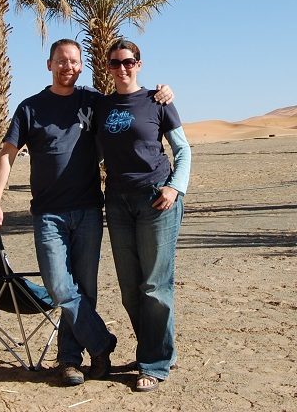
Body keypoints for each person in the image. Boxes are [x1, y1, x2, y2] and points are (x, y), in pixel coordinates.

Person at [0, 38, 172, 387]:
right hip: (48, 214)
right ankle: (101, 342)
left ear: (81, 66)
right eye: (61, 61)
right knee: (58, 286)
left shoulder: (93, 102)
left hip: (87, 210)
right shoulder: (30, 108)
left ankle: (70, 359)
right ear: (50, 64)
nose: (68, 66)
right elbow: (8, 154)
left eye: (74, 61)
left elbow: (130, 102)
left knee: (85, 288)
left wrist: (161, 93)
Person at [95, 39, 191, 394]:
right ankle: (160, 350)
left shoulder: (157, 100)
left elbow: (183, 149)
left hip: (156, 198)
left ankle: (154, 363)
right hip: (117, 201)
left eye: (129, 62)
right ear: (106, 67)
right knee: (130, 288)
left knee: (155, 284)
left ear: (139, 63)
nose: (122, 69)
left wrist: (174, 188)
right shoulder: (101, 106)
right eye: (115, 63)